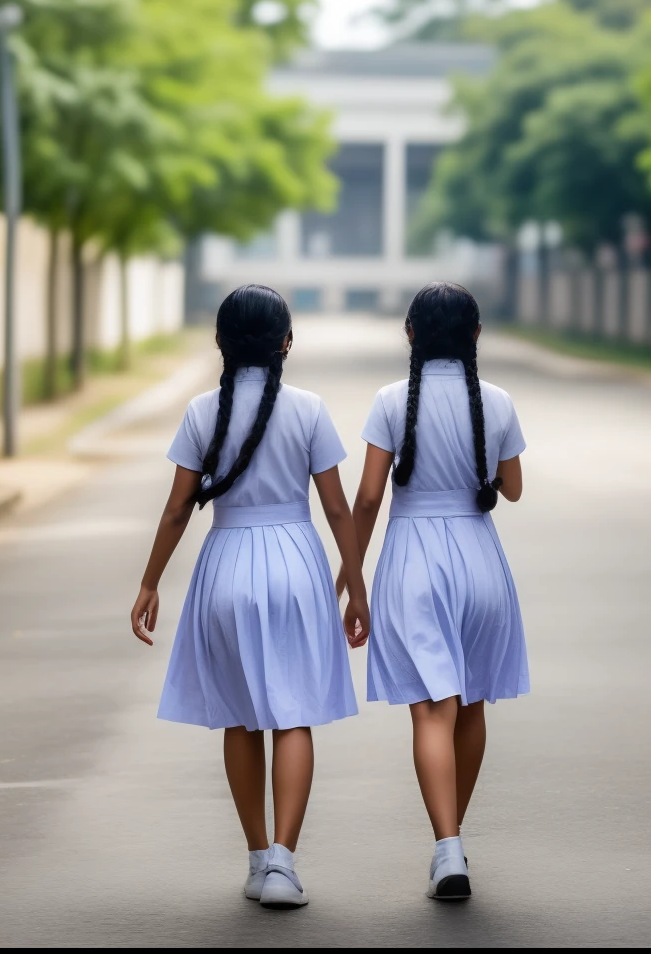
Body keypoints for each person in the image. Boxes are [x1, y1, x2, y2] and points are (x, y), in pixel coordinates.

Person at [130, 284, 369, 909]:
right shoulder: (311, 410)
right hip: (296, 562)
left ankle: (259, 855)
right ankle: (285, 866)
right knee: (292, 714)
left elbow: (179, 508)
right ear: (287, 342)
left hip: (226, 563)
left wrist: (151, 581)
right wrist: (357, 581)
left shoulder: (200, 411)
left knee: (240, 715)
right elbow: (337, 505)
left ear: (219, 343)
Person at [340, 282, 527, 901]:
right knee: (469, 704)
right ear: (476, 336)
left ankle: (448, 847)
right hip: (479, 559)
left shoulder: (391, 401)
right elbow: (514, 487)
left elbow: (368, 497)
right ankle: (452, 841)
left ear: (410, 335)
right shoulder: (496, 402)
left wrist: (351, 571)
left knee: (430, 708)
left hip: (414, 560)